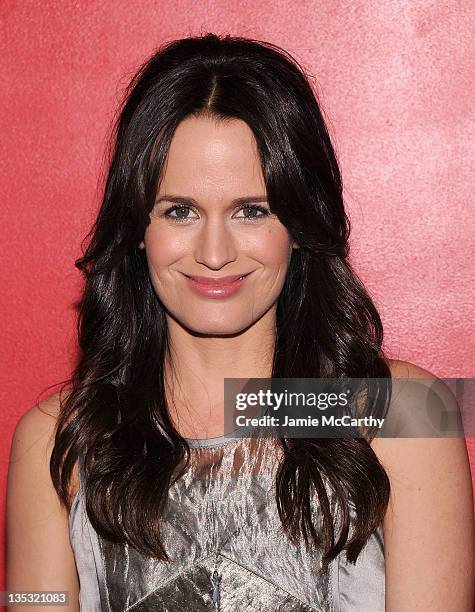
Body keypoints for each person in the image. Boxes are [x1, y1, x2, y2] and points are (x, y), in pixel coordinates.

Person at [6, 33, 474, 611]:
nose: (215, 251)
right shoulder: (58, 440)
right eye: (180, 211)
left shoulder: (402, 412)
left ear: (299, 224)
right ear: (137, 228)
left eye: (251, 210)